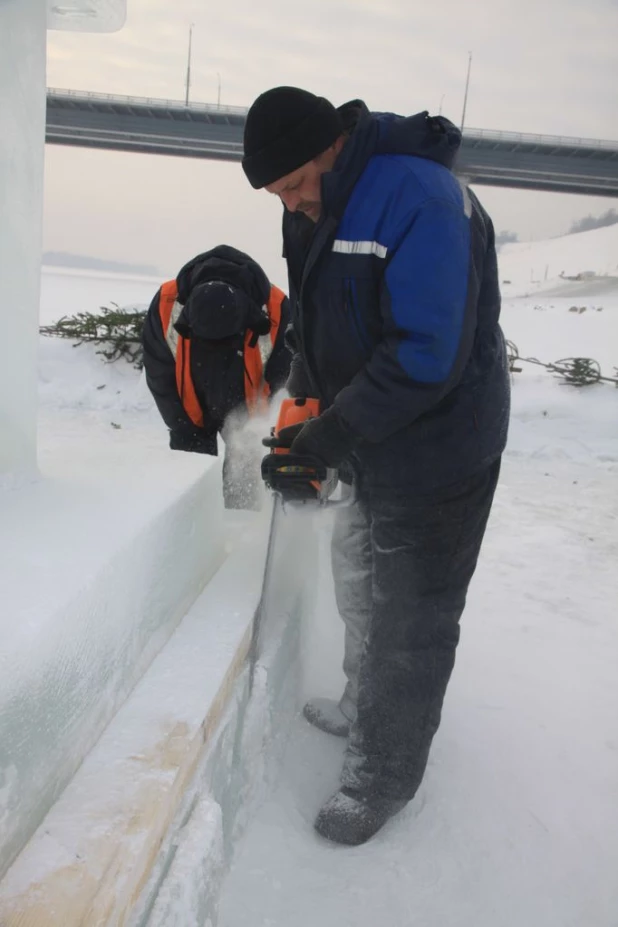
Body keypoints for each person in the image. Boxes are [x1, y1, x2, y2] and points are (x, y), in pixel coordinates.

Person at [242, 87, 510, 845]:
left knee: (410, 619)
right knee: (358, 578)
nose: (290, 205)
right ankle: (368, 711)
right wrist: (303, 406)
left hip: (440, 447)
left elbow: (428, 357)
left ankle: (383, 774)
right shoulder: (311, 204)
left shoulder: (423, 198)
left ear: (331, 145)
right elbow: (319, 320)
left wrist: (332, 433)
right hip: (370, 431)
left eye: (295, 184)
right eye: (275, 194)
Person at [142, 244, 291, 509]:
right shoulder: (167, 303)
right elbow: (160, 374)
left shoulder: (276, 309)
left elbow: (283, 380)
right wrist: (183, 426)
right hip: (190, 409)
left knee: (244, 493)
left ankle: (240, 540)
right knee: (191, 493)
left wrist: (256, 434)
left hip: (250, 414)